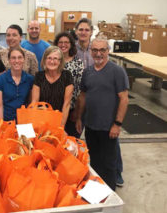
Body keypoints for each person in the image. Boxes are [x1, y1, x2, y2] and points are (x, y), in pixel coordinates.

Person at [75, 37, 129, 191]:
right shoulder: (88, 72)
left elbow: (124, 99)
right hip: (91, 126)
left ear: (108, 51)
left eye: (102, 50)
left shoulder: (117, 71)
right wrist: (79, 117)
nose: (98, 53)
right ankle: (97, 192)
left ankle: (110, 194)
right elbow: (83, 96)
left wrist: (117, 124)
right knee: (95, 162)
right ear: (91, 51)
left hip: (108, 128)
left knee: (109, 164)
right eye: (95, 50)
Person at [31, 46, 74, 127]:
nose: (52, 61)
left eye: (55, 58)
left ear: (60, 61)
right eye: (49, 58)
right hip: (41, 121)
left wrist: (61, 126)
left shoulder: (67, 75)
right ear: (44, 60)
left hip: (61, 120)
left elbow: (67, 104)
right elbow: (34, 102)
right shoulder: (39, 76)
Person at [54, 32, 84, 137]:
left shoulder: (78, 63)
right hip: (54, 110)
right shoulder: (53, 61)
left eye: (66, 42)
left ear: (71, 44)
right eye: (60, 42)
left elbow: (80, 91)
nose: (63, 45)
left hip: (72, 110)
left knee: (71, 142)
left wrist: (77, 112)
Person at [0, 48, 34, 121]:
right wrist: (1, 124)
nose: (17, 61)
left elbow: (31, 103)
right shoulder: (0, 80)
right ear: (9, 60)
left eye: (19, 57)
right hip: (7, 120)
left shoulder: (30, 79)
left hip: (25, 121)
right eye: (13, 58)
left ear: (24, 59)